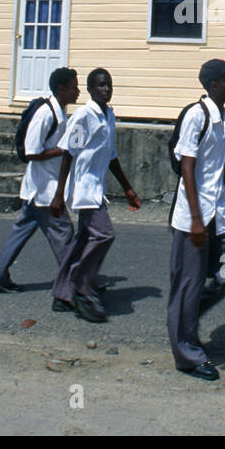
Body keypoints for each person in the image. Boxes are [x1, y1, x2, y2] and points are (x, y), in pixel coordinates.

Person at [167, 58, 225, 381]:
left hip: (219, 210)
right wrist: (197, 220)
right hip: (193, 215)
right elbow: (187, 167)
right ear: (214, 85)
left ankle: (186, 315)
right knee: (189, 282)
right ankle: (187, 354)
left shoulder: (223, 116)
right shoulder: (196, 115)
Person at [49, 68, 140, 322]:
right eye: (100, 85)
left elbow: (111, 156)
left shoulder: (108, 115)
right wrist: (58, 194)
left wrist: (127, 188)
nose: (106, 89)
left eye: (109, 85)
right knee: (104, 235)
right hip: (83, 188)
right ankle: (82, 286)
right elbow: (69, 152)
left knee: (81, 241)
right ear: (89, 89)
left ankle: (62, 294)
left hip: (96, 188)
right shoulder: (85, 116)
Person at [0, 68, 79, 293]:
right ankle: (75, 284)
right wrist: (62, 150)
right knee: (64, 234)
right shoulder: (46, 114)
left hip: (38, 188)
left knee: (20, 233)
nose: (78, 92)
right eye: (74, 87)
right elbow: (31, 152)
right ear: (61, 89)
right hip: (44, 189)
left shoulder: (60, 113)